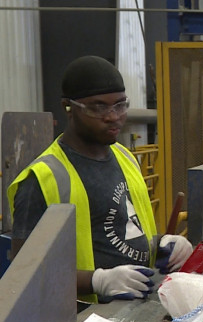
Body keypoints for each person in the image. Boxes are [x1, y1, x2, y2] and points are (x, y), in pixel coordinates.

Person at [8, 55, 193, 303]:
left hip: (135, 309)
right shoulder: (42, 178)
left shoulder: (125, 158)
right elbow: (23, 273)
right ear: (68, 107)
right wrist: (97, 281)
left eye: (120, 105)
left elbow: (124, 231)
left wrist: (163, 243)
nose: (112, 116)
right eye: (98, 107)